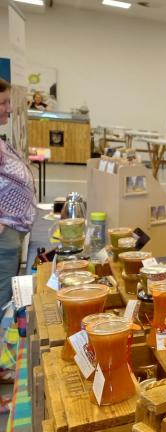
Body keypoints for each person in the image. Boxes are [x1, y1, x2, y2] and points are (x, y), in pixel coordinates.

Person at [1, 78, 37, 411]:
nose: (8, 108)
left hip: (11, 234)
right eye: (2, 103)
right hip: (3, 236)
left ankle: (1, 367)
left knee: (4, 303)